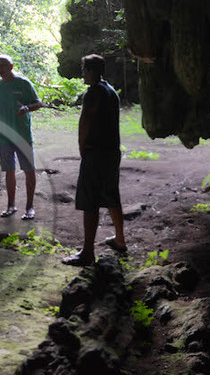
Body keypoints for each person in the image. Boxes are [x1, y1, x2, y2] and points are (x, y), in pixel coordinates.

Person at [63, 53, 127, 265]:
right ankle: (120, 239)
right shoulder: (111, 91)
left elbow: (85, 124)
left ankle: (87, 252)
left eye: (84, 70)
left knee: (90, 201)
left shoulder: (92, 93)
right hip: (112, 152)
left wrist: (83, 149)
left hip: (95, 153)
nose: (82, 74)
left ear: (91, 70)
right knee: (111, 195)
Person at [0, 54, 42, 219]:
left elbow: (38, 103)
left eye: (4, 65)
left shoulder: (24, 83)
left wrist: (26, 108)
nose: (0, 69)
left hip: (22, 134)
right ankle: (11, 205)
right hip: (5, 136)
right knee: (9, 171)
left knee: (28, 170)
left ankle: (29, 207)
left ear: (11, 66)